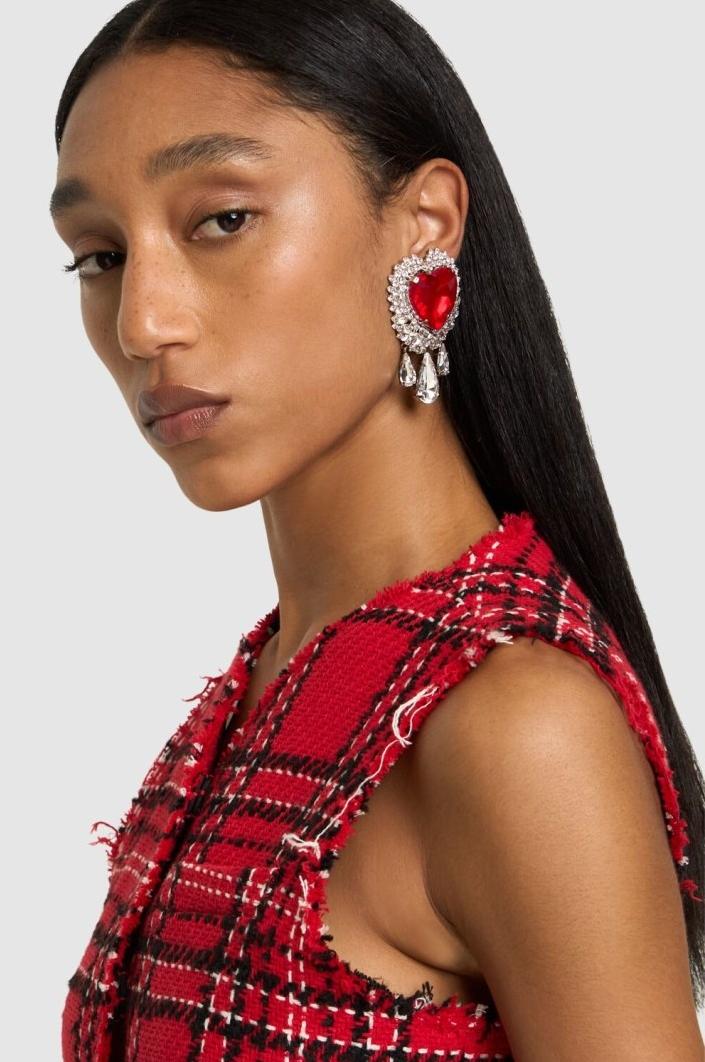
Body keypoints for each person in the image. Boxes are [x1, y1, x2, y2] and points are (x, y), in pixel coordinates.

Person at [50, 1, 705, 1059]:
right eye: (99, 255)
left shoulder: (514, 726)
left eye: (223, 219)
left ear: (425, 224)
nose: (142, 323)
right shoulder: (266, 687)